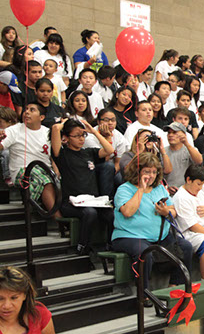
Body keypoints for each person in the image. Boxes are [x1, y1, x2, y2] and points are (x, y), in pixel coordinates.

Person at [111, 153, 193, 296]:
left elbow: (173, 211)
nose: (151, 175)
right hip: (129, 236)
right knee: (144, 252)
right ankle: (144, 294)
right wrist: (141, 189)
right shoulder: (124, 189)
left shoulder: (159, 188)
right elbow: (127, 212)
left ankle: (173, 286)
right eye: (147, 171)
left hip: (160, 235)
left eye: (154, 172)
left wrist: (166, 211)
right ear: (137, 171)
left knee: (186, 247)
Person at [52, 119, 115, 254]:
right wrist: (65, 122)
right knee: (90, 213)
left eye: (83, 135)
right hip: (71, 202)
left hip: (92, 200)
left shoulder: (89, 152)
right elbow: (56, 129)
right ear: (66, 138)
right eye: (76, 136)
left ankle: (110, 245)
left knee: (111, 214)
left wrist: (93, 131)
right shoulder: (62, 155)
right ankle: (82, 247)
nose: (81, 139)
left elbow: (110, 150)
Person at [0, 266, 58, 334]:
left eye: (14, 298)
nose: (7, 306)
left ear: (24, 295)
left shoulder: (38, 314)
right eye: (0, 298)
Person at [0, 103, 57, 212]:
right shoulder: (14, 130)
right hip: (23, 170)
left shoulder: (47, 132)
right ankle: (59, 220)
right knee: (45, 181)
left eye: (32, 110)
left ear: (41, 117)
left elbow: (53, 155)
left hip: (45, 169)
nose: (27, 112)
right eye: (25, 109)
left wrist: (56, 170)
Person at [164, 121, 203, 192]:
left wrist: (187, 143)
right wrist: (166, 188)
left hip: (186, 191)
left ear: (184, 134)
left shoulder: (190, 149)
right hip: (167, 191)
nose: (170, 135)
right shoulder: (163, 151)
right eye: (169, 133)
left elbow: (199, 161)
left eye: (174, 132)